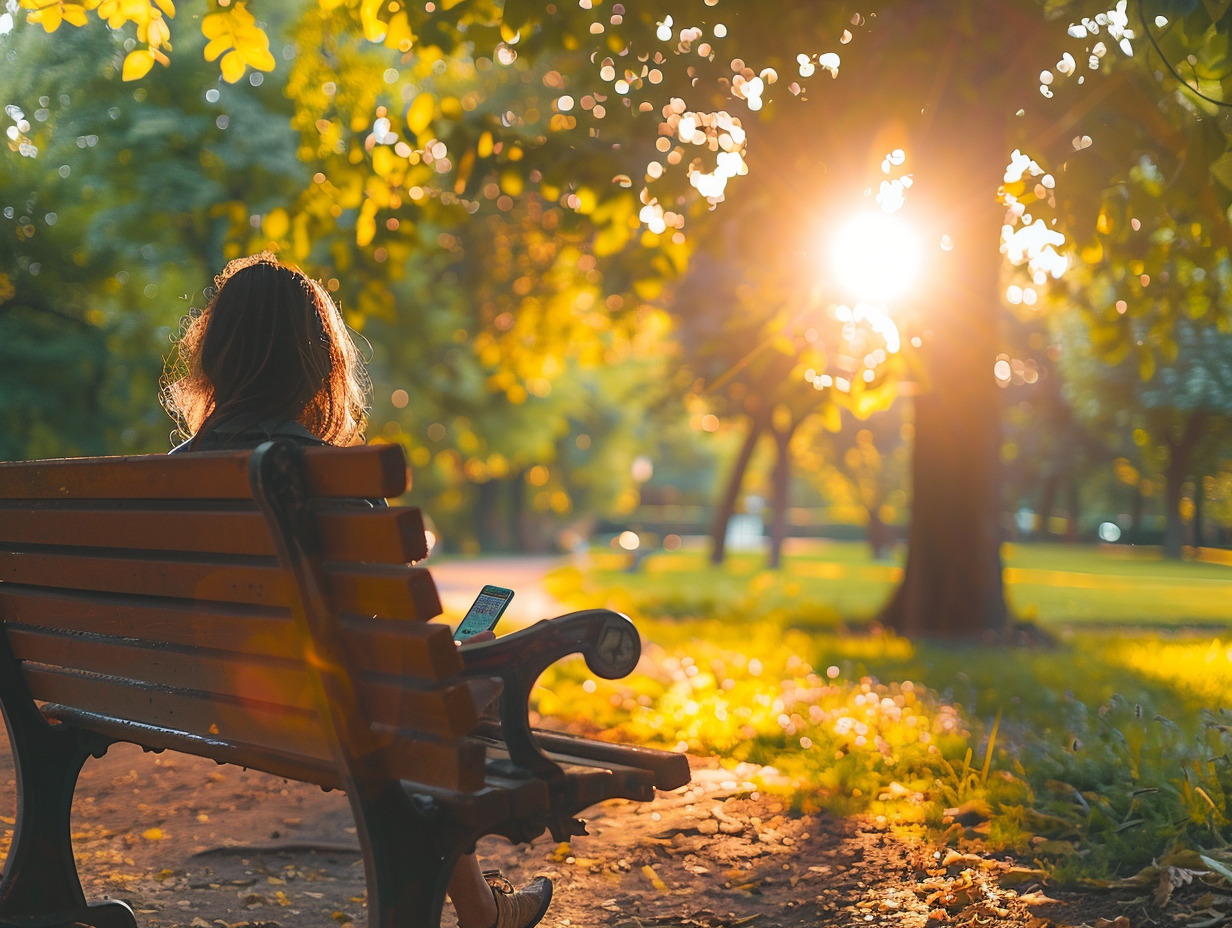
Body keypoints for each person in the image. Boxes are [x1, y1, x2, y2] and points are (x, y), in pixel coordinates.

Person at [161, 252, 553, 928]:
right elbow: (389, 634)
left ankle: (482, 908)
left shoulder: (169, 478)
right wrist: (461, 654)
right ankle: (480, 911)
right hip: (329, 713)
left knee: (413, 713)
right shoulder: (329, 480)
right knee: (451, 697)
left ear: (215, 358)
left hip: (199, 704)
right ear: (320, 366)